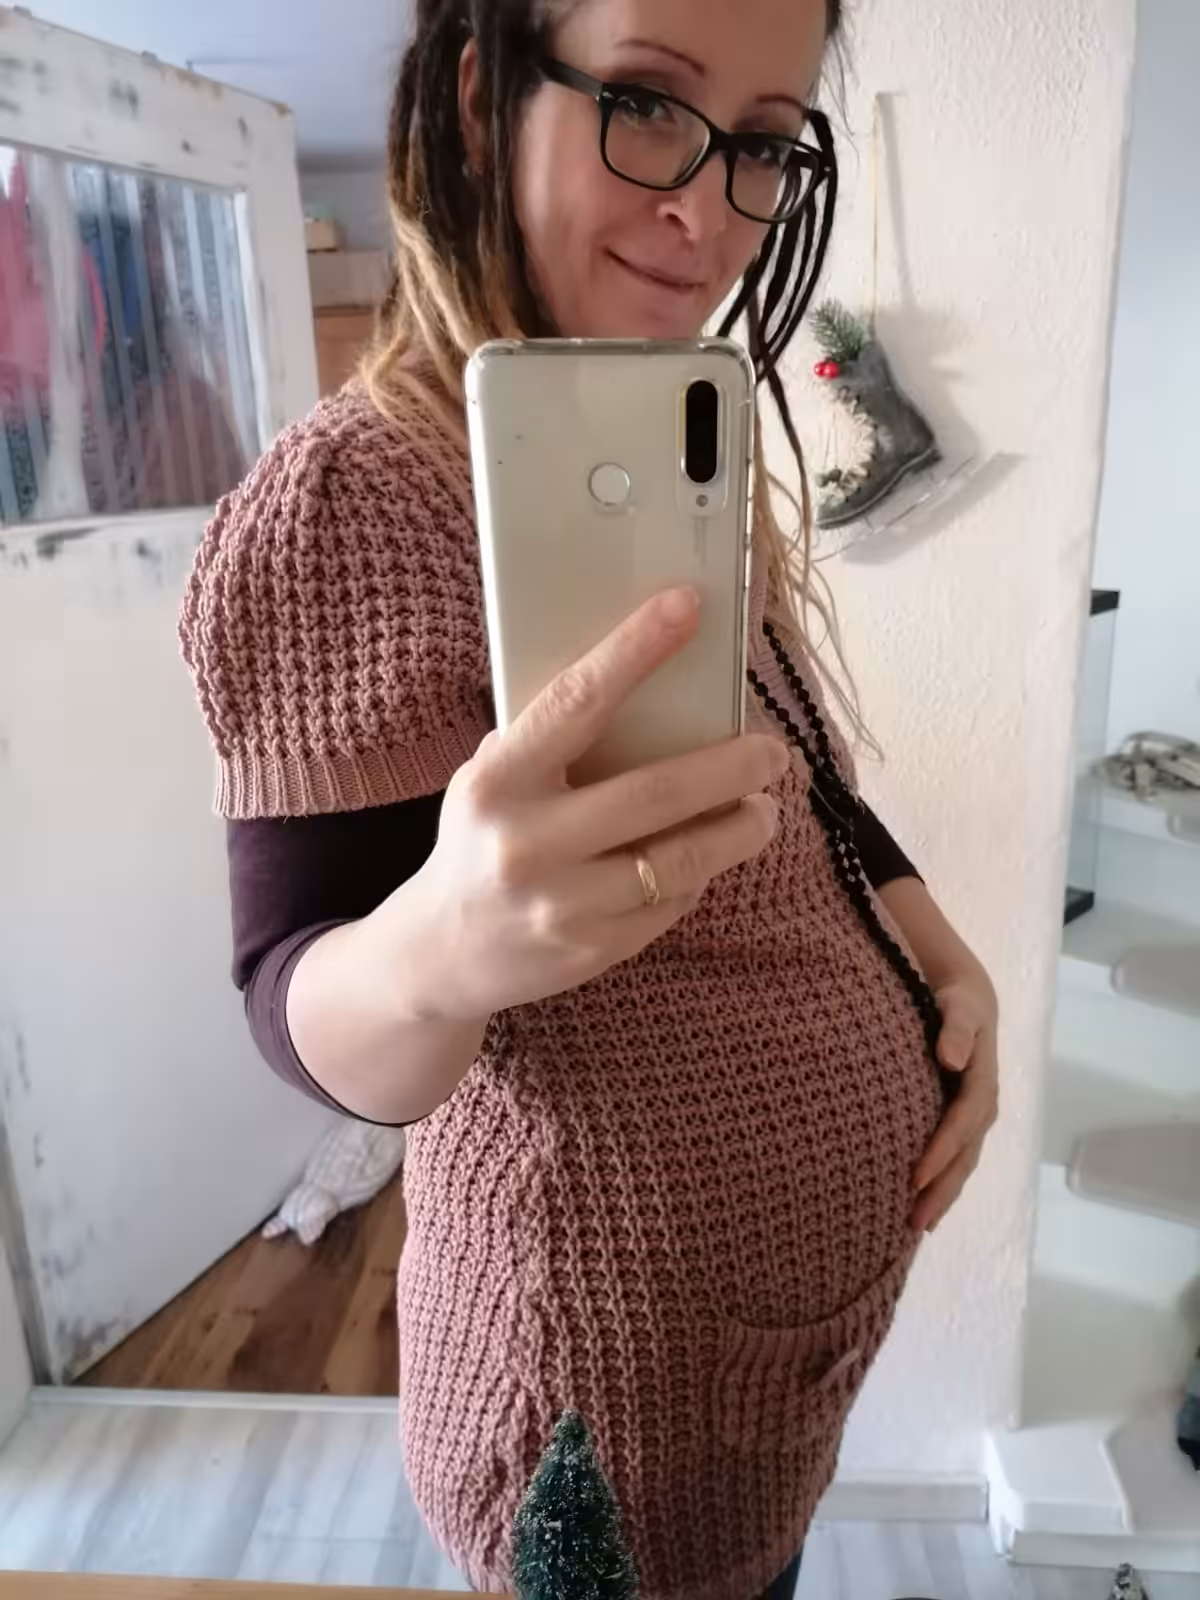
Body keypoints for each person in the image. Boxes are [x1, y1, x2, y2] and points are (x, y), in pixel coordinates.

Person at [179, 2, 1000, 1597]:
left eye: (762, 142)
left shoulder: (665, 439)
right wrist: (443, 948)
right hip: (605, 1418)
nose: (708, 209)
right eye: (645, 103)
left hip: (759, 1372)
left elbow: (789, 763)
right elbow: (292, 991)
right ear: (481, 96)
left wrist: (933, 949)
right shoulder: (357, 495)